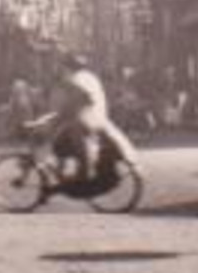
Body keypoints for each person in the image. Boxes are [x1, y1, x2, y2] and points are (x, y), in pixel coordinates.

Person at [32, 53, 138, 184]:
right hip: (100, 117)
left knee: (64, 135)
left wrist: (55, 117)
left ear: (67, 67)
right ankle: (68, 168)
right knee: (64, 133)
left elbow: (74, 103)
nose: (62, 69)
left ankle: (83, 173)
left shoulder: (75, 79)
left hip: (87, 119)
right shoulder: (90, 77)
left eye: (63, 66)